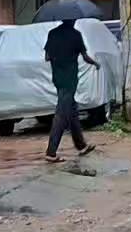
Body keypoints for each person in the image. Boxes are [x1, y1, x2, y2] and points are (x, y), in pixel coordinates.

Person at [43, 19, 100, 163]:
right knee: (61, 114)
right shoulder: (76, 35)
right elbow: (85, 57)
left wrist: (59, 58)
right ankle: (51, 152)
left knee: (72, 111)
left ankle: (81, 146)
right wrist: (95, 63)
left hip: (58, 78)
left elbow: (47, 57)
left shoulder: (52, 34)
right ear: (73, 20)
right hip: (70, 79)